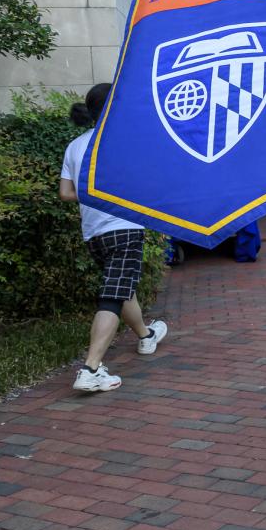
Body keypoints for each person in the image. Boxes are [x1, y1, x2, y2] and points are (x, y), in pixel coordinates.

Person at [59, 83, 168, 392]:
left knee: (119, 288)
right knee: (112, 296)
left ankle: (147, 337)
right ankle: (90, 368)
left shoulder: (75, 146)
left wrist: (92, 192)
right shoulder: (124, 142)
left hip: (93, 233)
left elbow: (66, 193)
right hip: (124, 228)